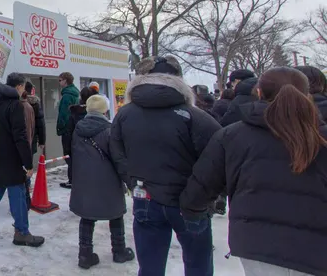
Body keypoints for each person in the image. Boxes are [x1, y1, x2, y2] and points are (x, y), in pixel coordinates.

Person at [181, 67, 327, 276]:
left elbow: (202, 185)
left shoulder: (232, 136)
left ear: (259, 93)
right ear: (307, 96)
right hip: (317, 247)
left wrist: (192, 210)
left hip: (256, 244)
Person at [110, 56, 221, 276]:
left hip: (146, 199)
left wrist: (133, 181)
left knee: (150, 266)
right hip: (189, 202)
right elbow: (218, 159)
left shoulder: (124, 114)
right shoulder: (195, 116)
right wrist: (201, 194)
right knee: (199, 265)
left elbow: (117, 152)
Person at [0, 73, 44, 247]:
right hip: (12, 158)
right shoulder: (15, 105)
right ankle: (22, 232)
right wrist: (27, 163)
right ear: (19, 87)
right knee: (18, 194)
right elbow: (20, 136)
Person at [70, 94, 135, 269]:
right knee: (116, 215)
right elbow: (119, 159)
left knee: (87, 216)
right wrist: (129, 181)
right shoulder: (110, 130)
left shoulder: (78, 129)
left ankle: (84, 255)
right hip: (108, 180)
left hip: (84, 180)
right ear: (104, 110)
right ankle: (119, 251)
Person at [57, 72, 80, 189]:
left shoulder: (66, 96)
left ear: (66, 81)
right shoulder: (76, 93)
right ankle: (75, 178)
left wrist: (60, 128)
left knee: (68, 155)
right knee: (73, 155)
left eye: (60, 80)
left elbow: (63, 114)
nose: (59, 82)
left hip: (67, 129)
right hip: (75, 128)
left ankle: (73, 179)